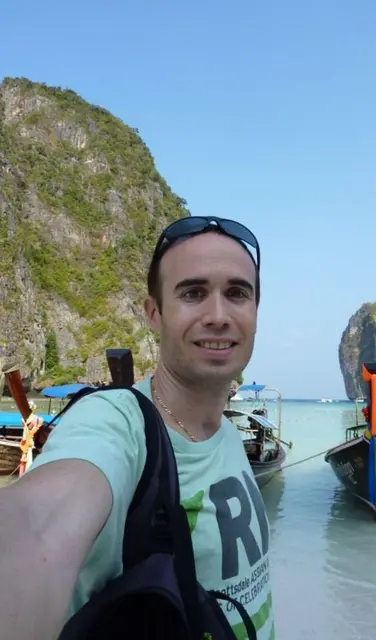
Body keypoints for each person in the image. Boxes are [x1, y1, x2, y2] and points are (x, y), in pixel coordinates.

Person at [0, 216, 275, 639]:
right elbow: (37, 527)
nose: (219, 315)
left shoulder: (225, 432)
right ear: (154, 314)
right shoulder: (118, 423)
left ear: (255, 311)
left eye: (237, 293)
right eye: (193, 293)